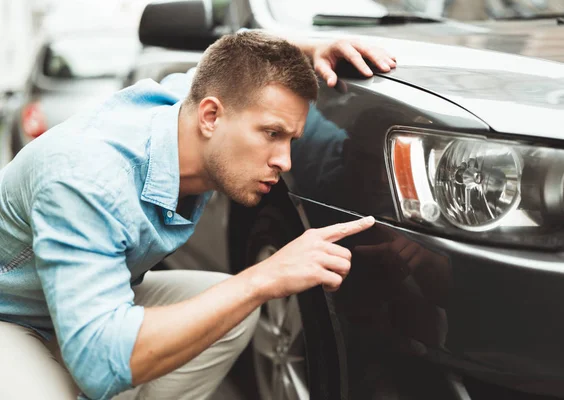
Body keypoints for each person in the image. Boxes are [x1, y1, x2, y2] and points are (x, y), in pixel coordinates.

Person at [0, 31, 395, 400]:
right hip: (10, 316)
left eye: (291, 139)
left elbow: (234, 49)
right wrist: (266, 277)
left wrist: (313, 47)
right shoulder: (86, 178)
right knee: (237, 296)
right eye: (272, 133)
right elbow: (98, 363)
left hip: (77, 298)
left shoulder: (192, 105)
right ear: (210, 117)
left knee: (231, 315)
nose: (284, 161)